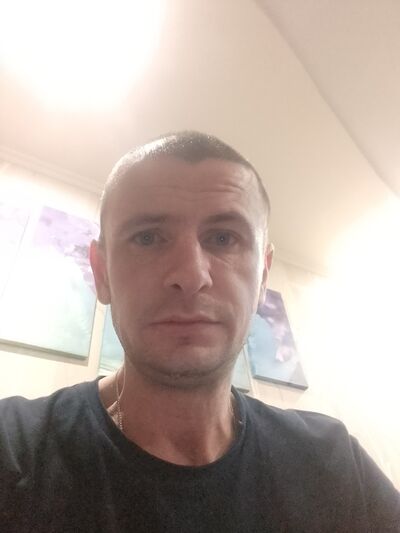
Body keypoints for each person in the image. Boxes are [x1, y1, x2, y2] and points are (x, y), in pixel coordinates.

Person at [0, 131, 399, 532]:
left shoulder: (333, 461)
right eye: (147, 237)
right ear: (102, 273)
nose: (191, 276)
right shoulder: (13, 448)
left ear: (262, 276)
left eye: (223, 238)